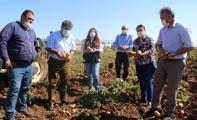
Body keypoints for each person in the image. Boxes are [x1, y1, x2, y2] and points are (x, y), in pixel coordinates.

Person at [145, 7, 193, 119]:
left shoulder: (181, 28)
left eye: (163, 18)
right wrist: (161, 51)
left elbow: (189, 46)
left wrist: (174, 53)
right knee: (157, 84)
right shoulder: (163, 30)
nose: (161, 20)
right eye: (161, 18)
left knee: (172, 88)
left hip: (177, 62)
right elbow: (158, 44)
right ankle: (154, 106)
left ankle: (169, 111)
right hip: (163, 61)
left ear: (170, 17)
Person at [0, 10, 38, 120]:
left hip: (29, 66)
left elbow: (35, 44)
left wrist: (35, 54)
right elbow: (2, 41)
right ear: (22, 17)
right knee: (14, 89)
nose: (30, 21)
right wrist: (6, 59)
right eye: (29, 18)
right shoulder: (13, 26)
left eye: (32, 20)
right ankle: (10, 114)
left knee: (25, 88)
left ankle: (22, 107)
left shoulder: (31, 30)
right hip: (16, 66)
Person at [46, 20, 76, 110]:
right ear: (62, 27)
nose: (68, 30)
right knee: (52, 82)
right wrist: (57, 52)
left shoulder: (72, 37)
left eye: (69, 29)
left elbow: (73, 49)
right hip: (54, 61)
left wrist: (70, 55)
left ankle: (63, 99)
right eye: (66, 28)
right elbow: (48, 48)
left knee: (65, 81)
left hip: (65, 62)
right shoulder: (54, 35)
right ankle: (50, 101)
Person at [132, 24, 155, 106]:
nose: (139, 32)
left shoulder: (150, 39)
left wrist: (142, 54)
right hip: (139, 64)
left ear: (144, 30)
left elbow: (152, 50)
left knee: (148, 81)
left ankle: (150, 100)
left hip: (148, 63)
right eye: (138, 31)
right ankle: (143, 98)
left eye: (141, 30)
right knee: (141, 81)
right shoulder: (135, 41)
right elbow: (134, 51)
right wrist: (135, 54)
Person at [81, 27, 103, 92]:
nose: (92, 33)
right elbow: (81, 50)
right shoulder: (85, 41)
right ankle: (90, 88)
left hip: (95, 59)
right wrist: (86, 50)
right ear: (89, 33)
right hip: (87, 59)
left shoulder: (98, 40)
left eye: (93, 32)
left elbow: (101, 50)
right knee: (89, 75)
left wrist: (96, 50)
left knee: (95, 74)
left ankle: (97, 88)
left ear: (96, 33)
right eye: (91, 31)